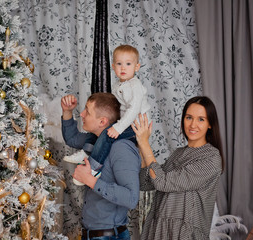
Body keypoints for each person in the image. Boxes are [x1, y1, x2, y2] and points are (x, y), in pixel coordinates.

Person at [132, 96, 224, 239]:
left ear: (210, 124)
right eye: (189, 117)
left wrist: (145, 144)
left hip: (184, 233)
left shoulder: (211, 158)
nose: (193, 125)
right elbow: (144, 183)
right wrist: (141, 143)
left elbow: (163, 183)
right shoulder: (178, 153)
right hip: (158, 230)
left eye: (201, 119)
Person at [64, 45, 150, 186]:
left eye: (128, 64)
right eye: (119, 64)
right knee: (98, 129)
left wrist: (118, 127)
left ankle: (94, 168)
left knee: (107, 134)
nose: (123, 68)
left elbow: (134, 110)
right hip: (124, 121)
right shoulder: (118, 85)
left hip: (136, 125)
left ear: (137, 67)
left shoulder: (135, 86)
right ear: (113, 66)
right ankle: (86, 151)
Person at [61, 93, 140, 240]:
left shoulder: (121, 148)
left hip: (110, 236)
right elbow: (72, 139)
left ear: (102, 121)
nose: (82, 114)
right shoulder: (96, 141)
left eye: (87, 111)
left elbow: (131, 198)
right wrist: (67, 111)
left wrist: (90, 180)